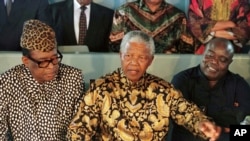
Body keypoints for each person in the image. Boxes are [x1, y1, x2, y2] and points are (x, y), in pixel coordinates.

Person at [67, 30, 221, 141]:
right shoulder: (101, 89)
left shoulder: (163, 90)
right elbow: (79, 130)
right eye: (128, 56)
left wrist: (201, 123)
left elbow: (186, 112)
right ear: (121, 56)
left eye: (141, 57)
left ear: (150, 60)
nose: (133, 62)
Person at [0, 19, 84, 140]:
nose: (52, 66)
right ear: (26, 61)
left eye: (55, 58)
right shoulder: (7, 82)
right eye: (43, 61)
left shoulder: (72, 77)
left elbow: (78, 129)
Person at [170, 38, 250, 141]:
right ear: (203, 53)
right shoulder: (182, 80)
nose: (214, 61)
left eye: (222, 59)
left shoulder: (239, 85)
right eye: (210, 55)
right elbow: (175, 122)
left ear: (230, 62)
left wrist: (221, 134)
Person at [109, 0, 197, 54]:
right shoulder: (123, 12)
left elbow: (187, 49)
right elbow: (115, 46)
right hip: (134, 68)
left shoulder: (178, 16)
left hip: (168, 68)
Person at [49, 0, 114, 52]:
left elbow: (110, 47)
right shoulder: (53, 11)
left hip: (96, 66)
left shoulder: (108, 15)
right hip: (63, 64)